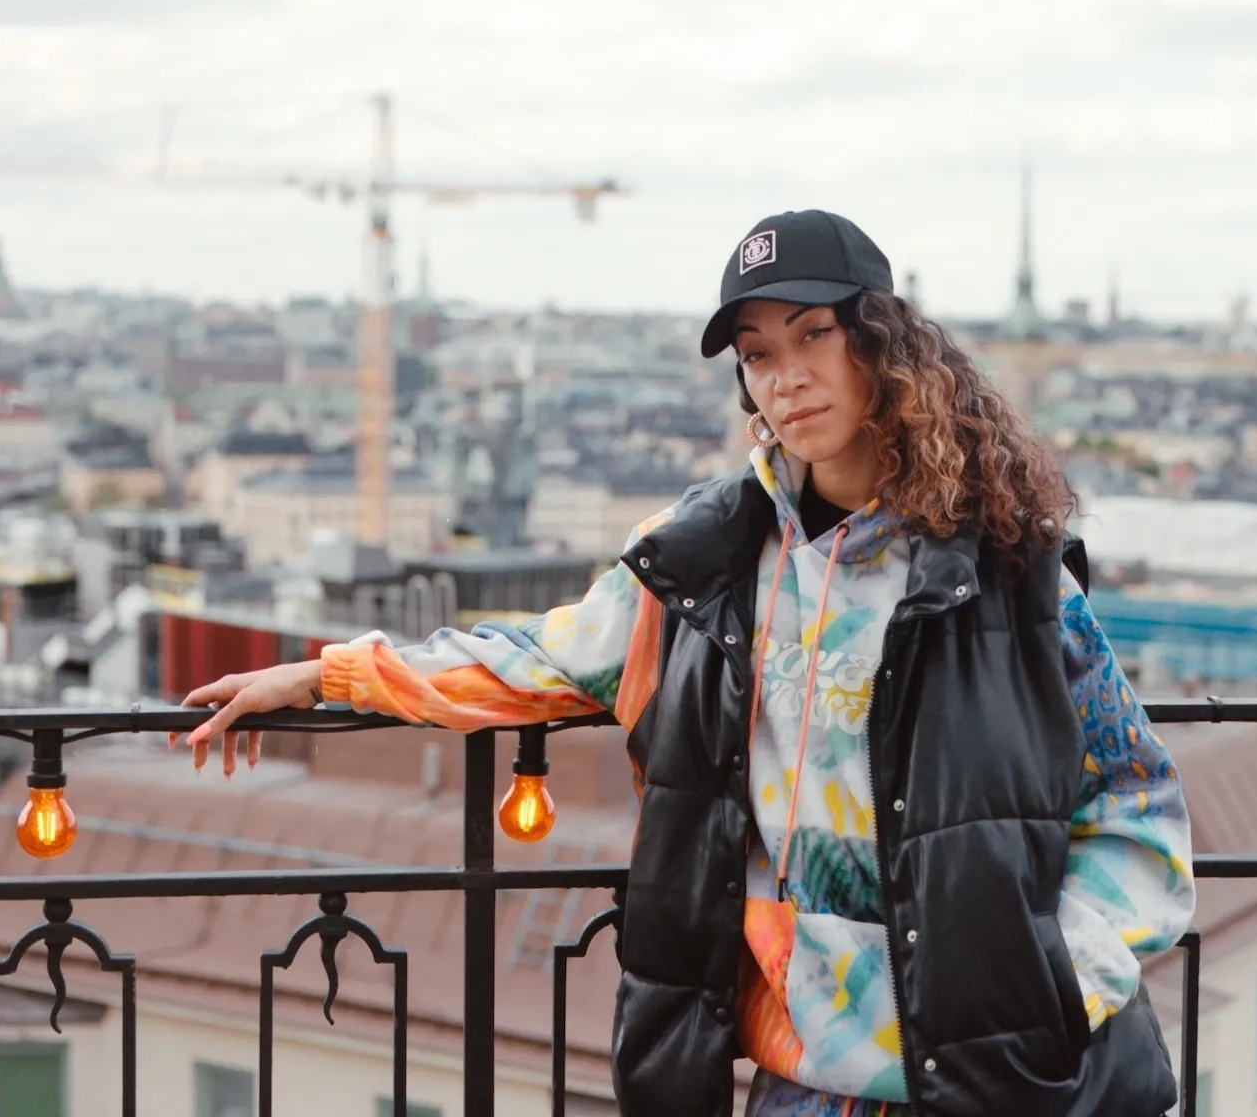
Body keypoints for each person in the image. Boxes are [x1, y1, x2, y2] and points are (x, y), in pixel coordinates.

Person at [181, 209, 1195, 1117]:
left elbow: (1140, 814)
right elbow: (544, 657)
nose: (784, 376)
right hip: (800, 1083)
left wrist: (1055, 983)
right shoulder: (708, 558)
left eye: (813, 336)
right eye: (757, 354)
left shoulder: (1007, 572)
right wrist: (325, 678)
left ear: (884, 345)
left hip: (992, 1084)